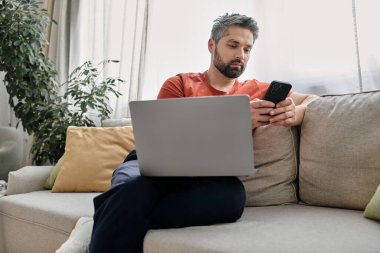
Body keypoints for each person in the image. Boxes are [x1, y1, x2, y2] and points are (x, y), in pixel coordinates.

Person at [89, 13, 318, 253]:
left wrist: (296, 113)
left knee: (232, 200)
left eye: (248, 49)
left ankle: (109, 215)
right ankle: (115, 213)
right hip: (153, 168)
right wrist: (235, 119)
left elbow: (313, 101)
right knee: (133, 187)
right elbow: (164, 138)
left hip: (209, 178)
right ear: (212, 45)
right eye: (233, 45)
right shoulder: (179, 83)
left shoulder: (256, 90)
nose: (241, 54)